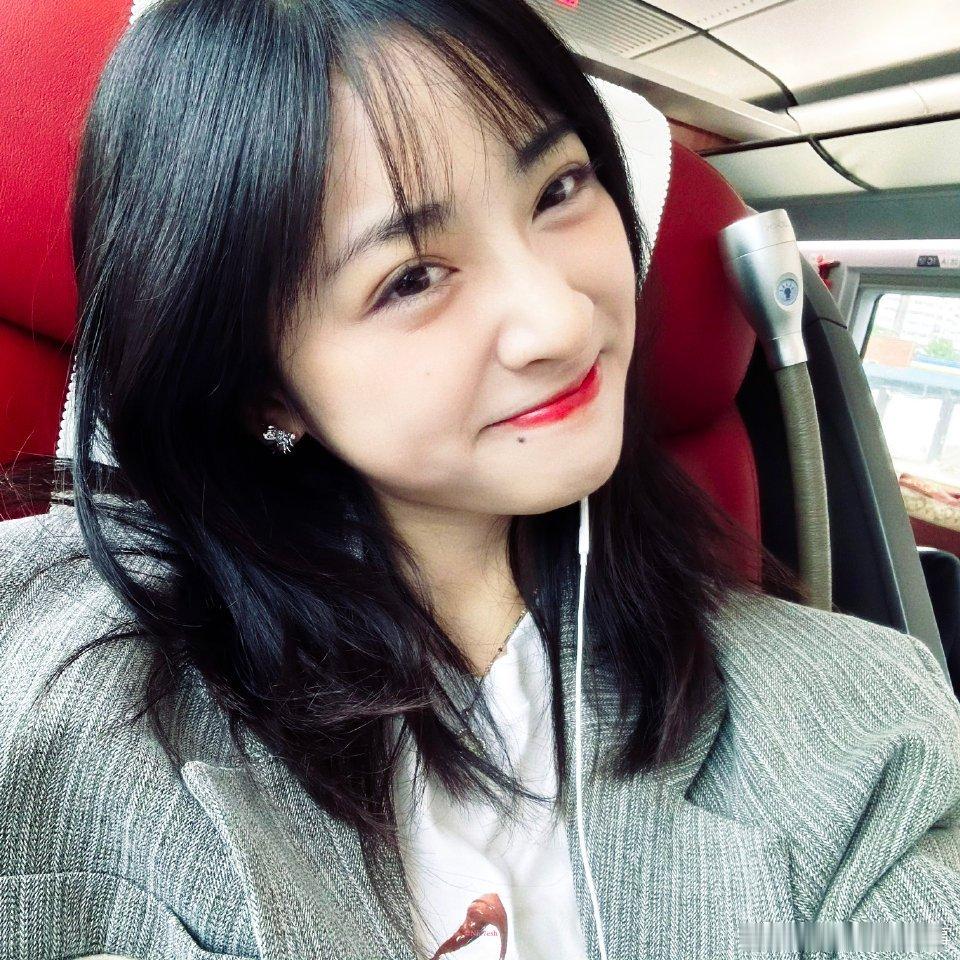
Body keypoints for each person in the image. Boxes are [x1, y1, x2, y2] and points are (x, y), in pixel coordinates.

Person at [1, 0, 959, 957]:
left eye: (559, 189)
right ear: (265, 389)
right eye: (412, 277)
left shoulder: (854, 712)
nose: (562, 322)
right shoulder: (64, 685)